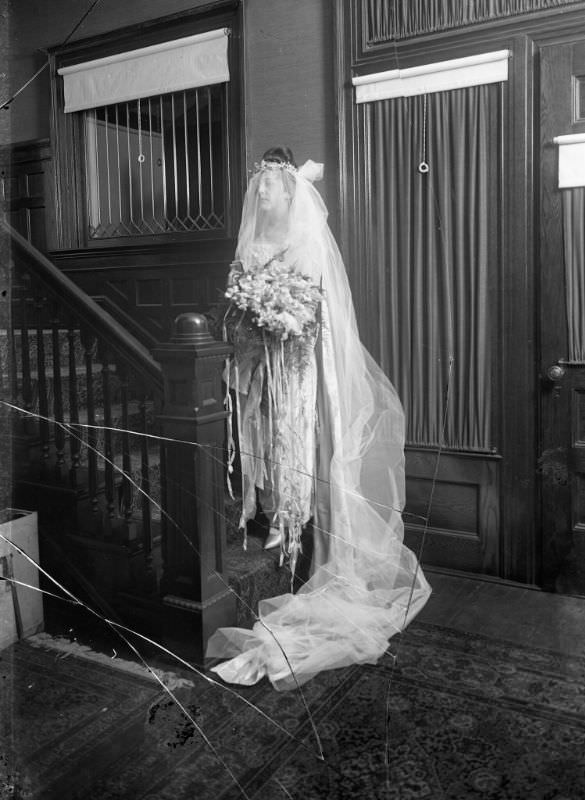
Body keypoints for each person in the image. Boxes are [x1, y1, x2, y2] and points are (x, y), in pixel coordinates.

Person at [207, 147, 431, 690]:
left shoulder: (306, 240)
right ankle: (267, 518)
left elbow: (314, 310)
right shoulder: (251, 243)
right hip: (260, 365)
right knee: (261, 439)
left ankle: (294, 528)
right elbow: (236, 306)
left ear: (289, 191)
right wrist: (248, 322)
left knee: (297, 444)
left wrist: (278, 317)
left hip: (298, 366)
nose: (260, 193)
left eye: (269, 186)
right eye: (256, 185)